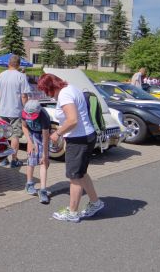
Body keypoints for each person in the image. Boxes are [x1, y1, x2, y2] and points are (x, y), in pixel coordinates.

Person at [38, 73, 104, 223]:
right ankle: (95, 203)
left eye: (45, 90)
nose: (46, 94)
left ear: (50, 87)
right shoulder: (71, 88)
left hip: (79, 140)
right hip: (86, 136)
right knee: (81, 173)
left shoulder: (65, 95)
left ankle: (73, 212)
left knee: (74, 177)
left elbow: (72, 120)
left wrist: (57, 133)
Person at [0, 55, 31, 168]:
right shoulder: (21, 76)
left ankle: (3, 159)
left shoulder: (1, 75)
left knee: (3, 136)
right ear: (19, 64)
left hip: (3, 109)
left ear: (8, 63)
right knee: (15, 135)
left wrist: (1, 104)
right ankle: (14, 159)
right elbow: (24, 96)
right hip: (15, 110)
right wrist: (26, 109)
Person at [21, 100, 51, 204]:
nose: (29, 117)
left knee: (43, 162)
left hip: (42, 137)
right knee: (31, 159)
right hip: (32, 135)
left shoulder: (44, 116)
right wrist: (30, 142)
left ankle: (43, 190)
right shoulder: (24, 112)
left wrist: (45, 155)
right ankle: (29, 184)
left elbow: (46, 137)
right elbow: (24, 126)